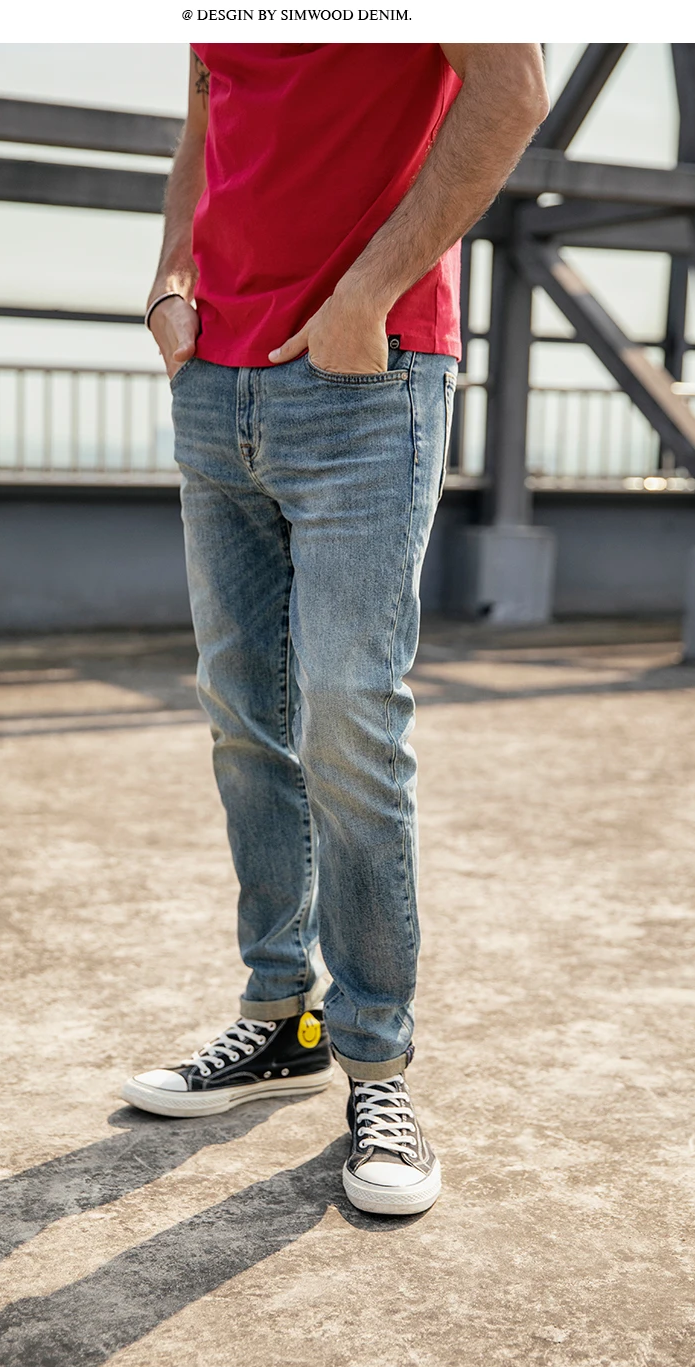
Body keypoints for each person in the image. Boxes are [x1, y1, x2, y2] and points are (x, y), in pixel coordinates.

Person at [122, 43, 549, 1215]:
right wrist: (169, 277)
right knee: (242, 713)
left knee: (349, 715)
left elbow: (513, 89)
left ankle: (377, 1063)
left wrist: (366, 293)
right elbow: (208, 112)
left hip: (366, 371)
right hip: (216, 376)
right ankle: (280, 1018)